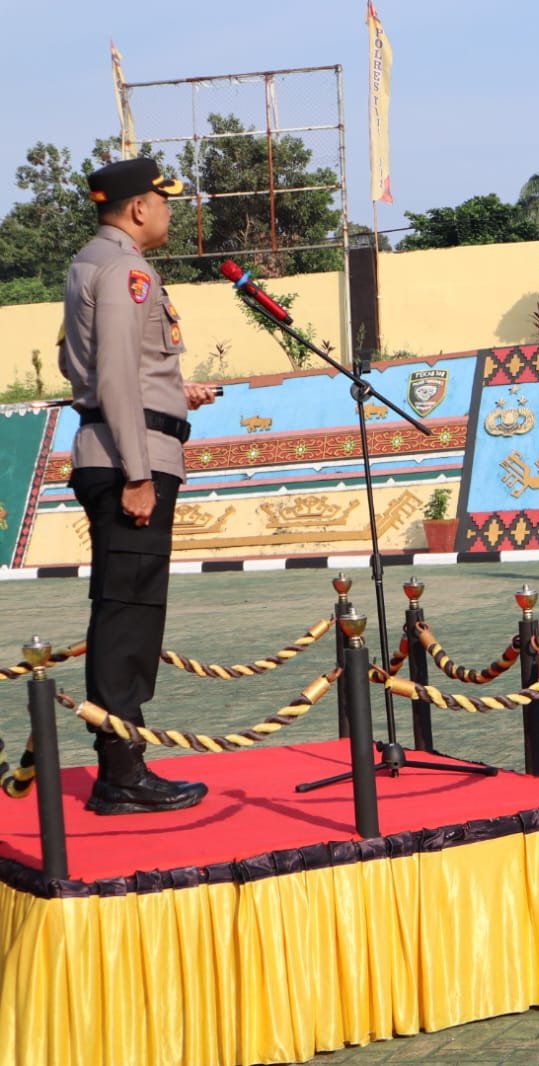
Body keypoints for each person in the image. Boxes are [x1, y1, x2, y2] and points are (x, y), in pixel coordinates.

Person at [61, 158, 216, 815]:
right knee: (130, 614)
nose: (170, 211)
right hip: (132, 456)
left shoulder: (88, 262)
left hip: (117, 442)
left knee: (124, 608)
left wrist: (177, 392)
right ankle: (122, 775)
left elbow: (115, 369)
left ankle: (123, 767)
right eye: (163, 199)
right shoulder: (128, 271)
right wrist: (139, 474)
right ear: (136, 208)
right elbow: (119, 373)